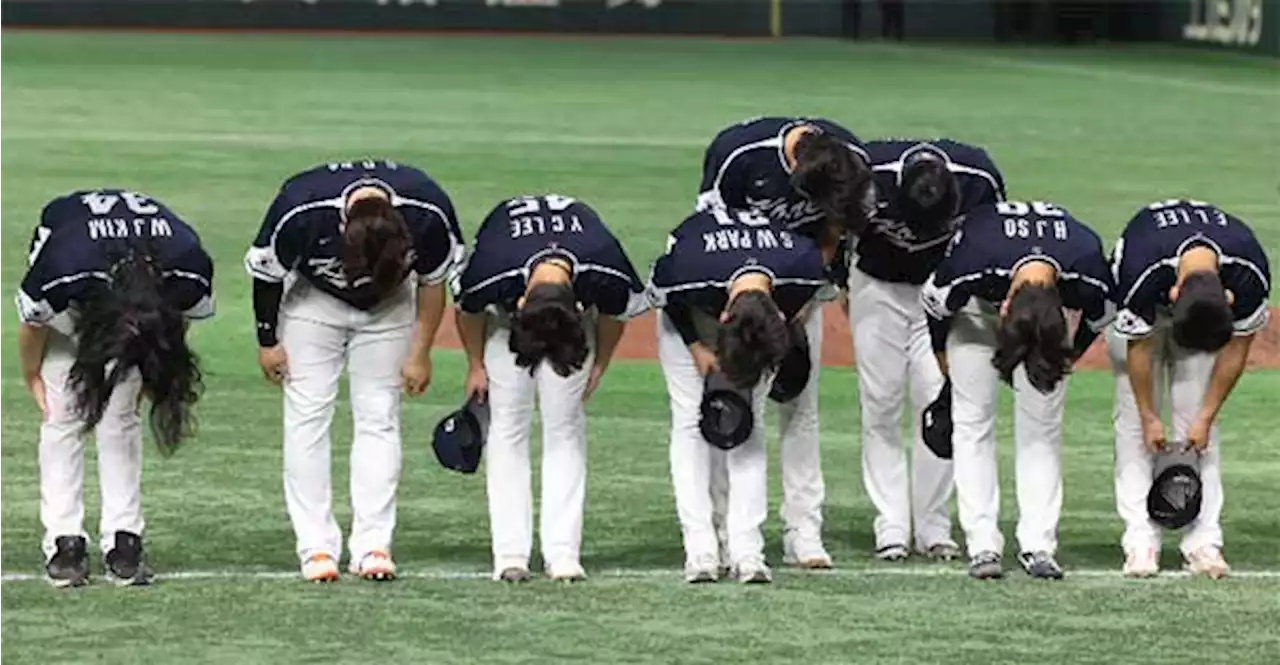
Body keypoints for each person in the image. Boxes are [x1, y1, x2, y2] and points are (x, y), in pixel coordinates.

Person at [244, 159, 461, 583]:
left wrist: (421, 352)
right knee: (308, 418)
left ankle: (373, 545)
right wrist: (267, 341)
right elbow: (266, 276)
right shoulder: (300, 209)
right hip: (313, 304)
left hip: (390, 308)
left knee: (379, 416)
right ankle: (316, 547)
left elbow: (433, 283)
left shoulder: (428, 211)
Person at [695, 116, 875, 569]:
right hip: (739, 296)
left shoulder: (850, 159)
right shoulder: (738, 154)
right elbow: (710, 234)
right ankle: (719, 530)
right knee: (730, 405)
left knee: (800, 406)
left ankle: (804, 532)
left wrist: (804, 300)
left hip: (801, 289)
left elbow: (838, 230)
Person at [17, 189, 214, 587]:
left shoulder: (187, 265)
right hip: (75, 311)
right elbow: (33, 321)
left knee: (119, 419)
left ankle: (125, 540)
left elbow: (176, 318)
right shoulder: (64, 265)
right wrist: (32, 373)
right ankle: (63, 539)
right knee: (63, 417)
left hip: (138, 306)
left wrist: (152, 361)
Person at [452, 194, 647, 583]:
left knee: (564, 427)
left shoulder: (603, 265)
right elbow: (467, 308)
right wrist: (475, 364)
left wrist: (601, 363)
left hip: (569, 332)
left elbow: (616, 311)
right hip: (508, 329)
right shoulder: (493, 268)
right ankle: (510, 554)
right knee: (508, 426)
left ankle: (563, 553)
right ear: (520, 299)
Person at [921, 200, 1114, 580]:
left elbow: (1097, 319)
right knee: (972, 421)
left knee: (1042, 428)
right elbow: (937, 307)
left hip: (1047, 327)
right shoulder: (974, 257)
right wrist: (944, 360)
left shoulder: (1087, 269)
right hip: (976, 314)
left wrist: (1068, 355)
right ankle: (982, 544)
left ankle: (1039, 545)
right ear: (1006, 302)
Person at [650, 205, 833, 584]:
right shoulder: (687, 270)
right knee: (689, 422)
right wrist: (697, 347)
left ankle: (747, 550)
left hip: (760, 315)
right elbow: (666, 298)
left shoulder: (802, 266)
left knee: (748, 424)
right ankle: (699, 548)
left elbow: (801, 306)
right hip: (689, 315)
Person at [852, 139, 1006, 562]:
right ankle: (892, 524)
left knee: (937, 402)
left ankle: (933, 525)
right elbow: (835, 225)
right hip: (877, 286)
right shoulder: (866, 172)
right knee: (880, 402)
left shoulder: (979, 178)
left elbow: (992, 240)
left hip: (941, 293)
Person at [1107, 199, 1270, 579]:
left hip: (1194, 301)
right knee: (1133, 423)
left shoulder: (1248, 272)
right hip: (1138, 312)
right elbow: (1139, 348)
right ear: (1175, 294)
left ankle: (1203, 542)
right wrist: (1149, 416)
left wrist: (1206, 416)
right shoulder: (1142, 269)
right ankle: (1140, 540)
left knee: (1199, 428)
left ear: (1228, 299)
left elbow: (1238, 348)